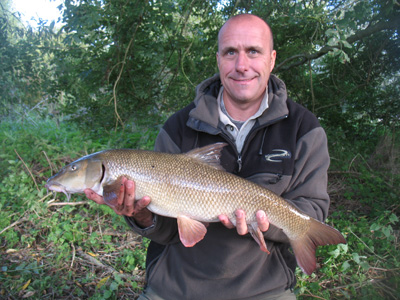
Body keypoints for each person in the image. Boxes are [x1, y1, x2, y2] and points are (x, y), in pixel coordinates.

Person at [85, 14, 330, 300]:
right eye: (230, 52)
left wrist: (267, 222)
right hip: (176, 288)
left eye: (253, 51)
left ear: (272, 59)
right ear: (218, 59)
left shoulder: (303, 128)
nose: (241, 65)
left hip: (264, 289)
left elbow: (312, 210)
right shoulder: (178, 127)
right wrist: (140, 214)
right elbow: (165, 230)